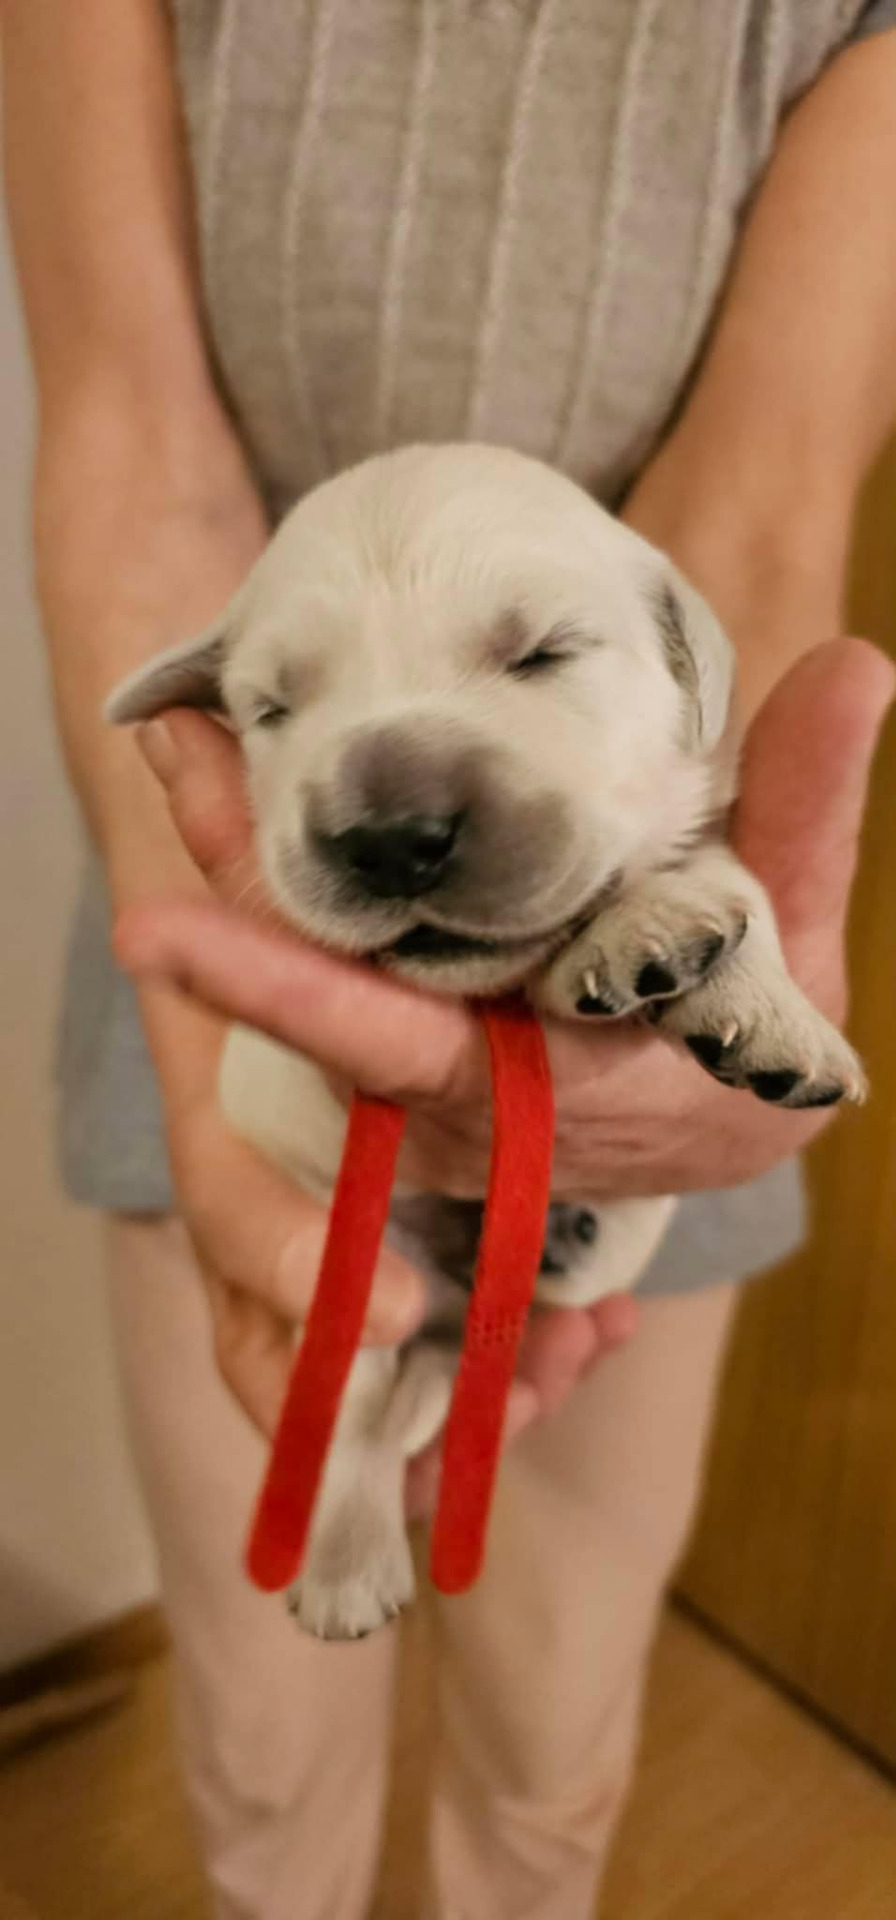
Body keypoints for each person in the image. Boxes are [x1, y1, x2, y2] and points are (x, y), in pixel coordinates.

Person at [4, 4, 896, 1915]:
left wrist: (703, 966)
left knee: (553, 1743)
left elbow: (751, 508)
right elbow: (137, 451)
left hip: (641, 932)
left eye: (535, 650)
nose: (411, 801)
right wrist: (226, 1081)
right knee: (266, 1737)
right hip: (234, 919)